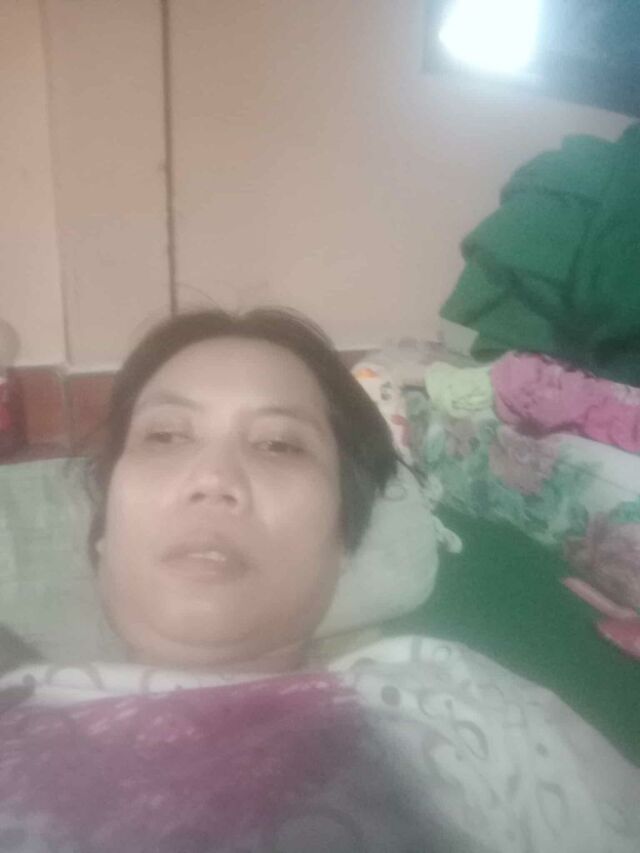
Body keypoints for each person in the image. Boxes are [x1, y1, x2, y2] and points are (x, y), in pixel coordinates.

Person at [1, 308, 639, 853]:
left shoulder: (461, 700)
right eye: (165, 435)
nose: (213, 479)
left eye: (279, 445)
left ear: (342, 543)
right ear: (103, 534)